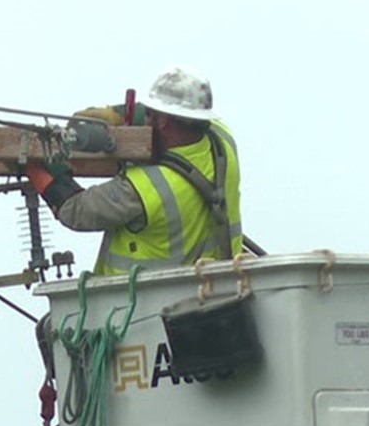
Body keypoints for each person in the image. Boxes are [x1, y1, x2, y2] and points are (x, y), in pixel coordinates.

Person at [24, 65, 245, 276]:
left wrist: (38, 166)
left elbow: (75, 210)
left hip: (137, 306)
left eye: (150, 114)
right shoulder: (224, 141)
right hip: (211, 289)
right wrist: (118, 114)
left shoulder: (145, 188)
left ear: (164, 121)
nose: (145, 119)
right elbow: (183, 116)